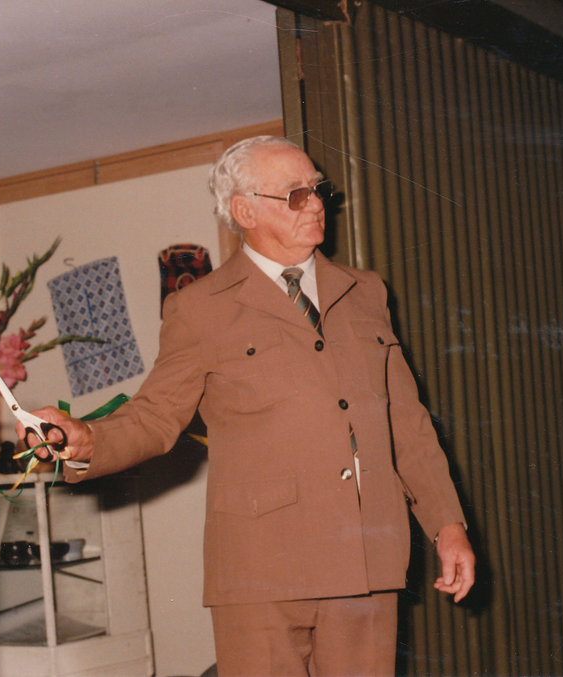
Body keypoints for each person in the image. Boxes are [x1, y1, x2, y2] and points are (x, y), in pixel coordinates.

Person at [24, 135, 475, 676]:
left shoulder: (364, 292)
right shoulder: (199, 309)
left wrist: (448, 525)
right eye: (295, 194)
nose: (315, 204)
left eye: (317, 190)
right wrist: (86, 441)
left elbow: (407, 422)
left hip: (365, 558)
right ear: (244, 210)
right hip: (262, 567)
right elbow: (155, 416)